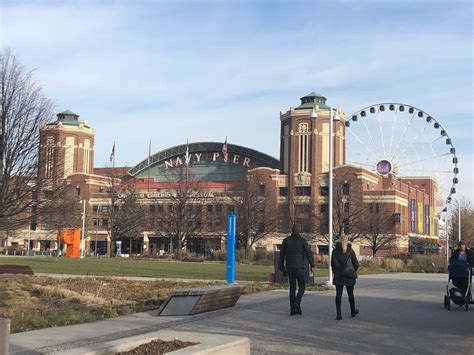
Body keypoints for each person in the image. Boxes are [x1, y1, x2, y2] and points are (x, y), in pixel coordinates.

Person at [278, 224, 315, 315]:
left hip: (290, 268)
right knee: (302, 286)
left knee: (292, 288)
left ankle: (293, 308)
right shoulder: (302, 241)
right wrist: (312, 264)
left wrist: (282, 268)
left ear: (292, 230)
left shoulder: (286, 241)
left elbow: (281, 256)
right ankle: (297, 303)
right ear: (299, 230)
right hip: (300, 268)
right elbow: (308, 253)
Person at [331, 235, 359, 320]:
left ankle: (339, 314)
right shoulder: (350, 251)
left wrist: (335, 272)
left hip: (338, 275)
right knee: (350, 294)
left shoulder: (334, 251)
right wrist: (353, 271)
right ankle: (352, 311)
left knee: (338, 295)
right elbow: (356, 264)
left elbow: (332, 264)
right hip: (349, 276)